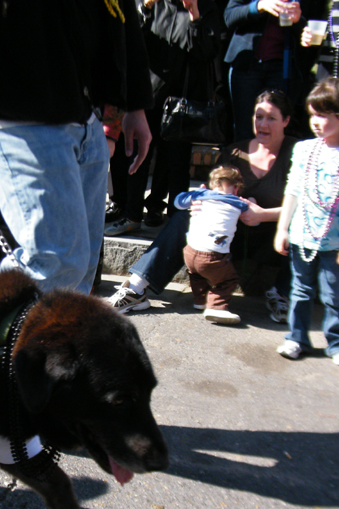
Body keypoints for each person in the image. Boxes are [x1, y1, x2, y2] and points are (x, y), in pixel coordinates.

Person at [0, 0, 154, 293]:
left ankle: (50, 339)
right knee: (56, 263)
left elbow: (119, 10)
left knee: (81, 269)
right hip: (14, 110)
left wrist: (132, 103)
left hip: (85, 113)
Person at [106, 89, 298, 321]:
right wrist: (202, 206)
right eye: (258, 116)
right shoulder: (234, 152)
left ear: (286, 121)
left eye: (271, 118)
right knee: (184, 217)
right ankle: (136, 288)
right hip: (227, 240)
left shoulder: (298, 154)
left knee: (306, 228)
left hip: (276, 239)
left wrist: (263, 215)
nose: (263, 124)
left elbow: (309, 205)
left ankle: (283, 294)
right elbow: (213, 194)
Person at [274, 77, 339, 367]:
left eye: (321, 114)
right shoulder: (304, 150)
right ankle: (296, 337)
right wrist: (283, 228)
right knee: (300, 290)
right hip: (303, 236)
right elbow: (292, 190)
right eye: (312, 115)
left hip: (337, 240)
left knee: (334, 294)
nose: (315, 122)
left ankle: (338, 342)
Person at [106, 0, 223, 236]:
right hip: (147, 95)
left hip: (183, 100)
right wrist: (146, 9)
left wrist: (195, 15)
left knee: (176, 161)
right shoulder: (151, 5)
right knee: (138, 157)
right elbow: (129, 42)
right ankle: (131, 215)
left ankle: (173, 221)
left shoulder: (206, 7)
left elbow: (204, 52)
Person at [223, 0, 312, 141]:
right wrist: (259, 6)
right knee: (245, 132)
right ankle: (245, 163)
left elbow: (310, 28)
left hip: (283, 68)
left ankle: (272, 163)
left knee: (277, 130)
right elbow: (229, 17)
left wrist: (299, 22)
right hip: (247, 66)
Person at [176, 166, 252, 324]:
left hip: (189, 251)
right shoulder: (238, 202)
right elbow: (251, 215)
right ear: (236, 188)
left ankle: (200, 300)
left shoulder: (201, 195)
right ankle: (216, 307)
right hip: (213, 256)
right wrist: (251, 202)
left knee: (196, 274)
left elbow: (178, 202)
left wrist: (194, 194)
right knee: (228, 280)